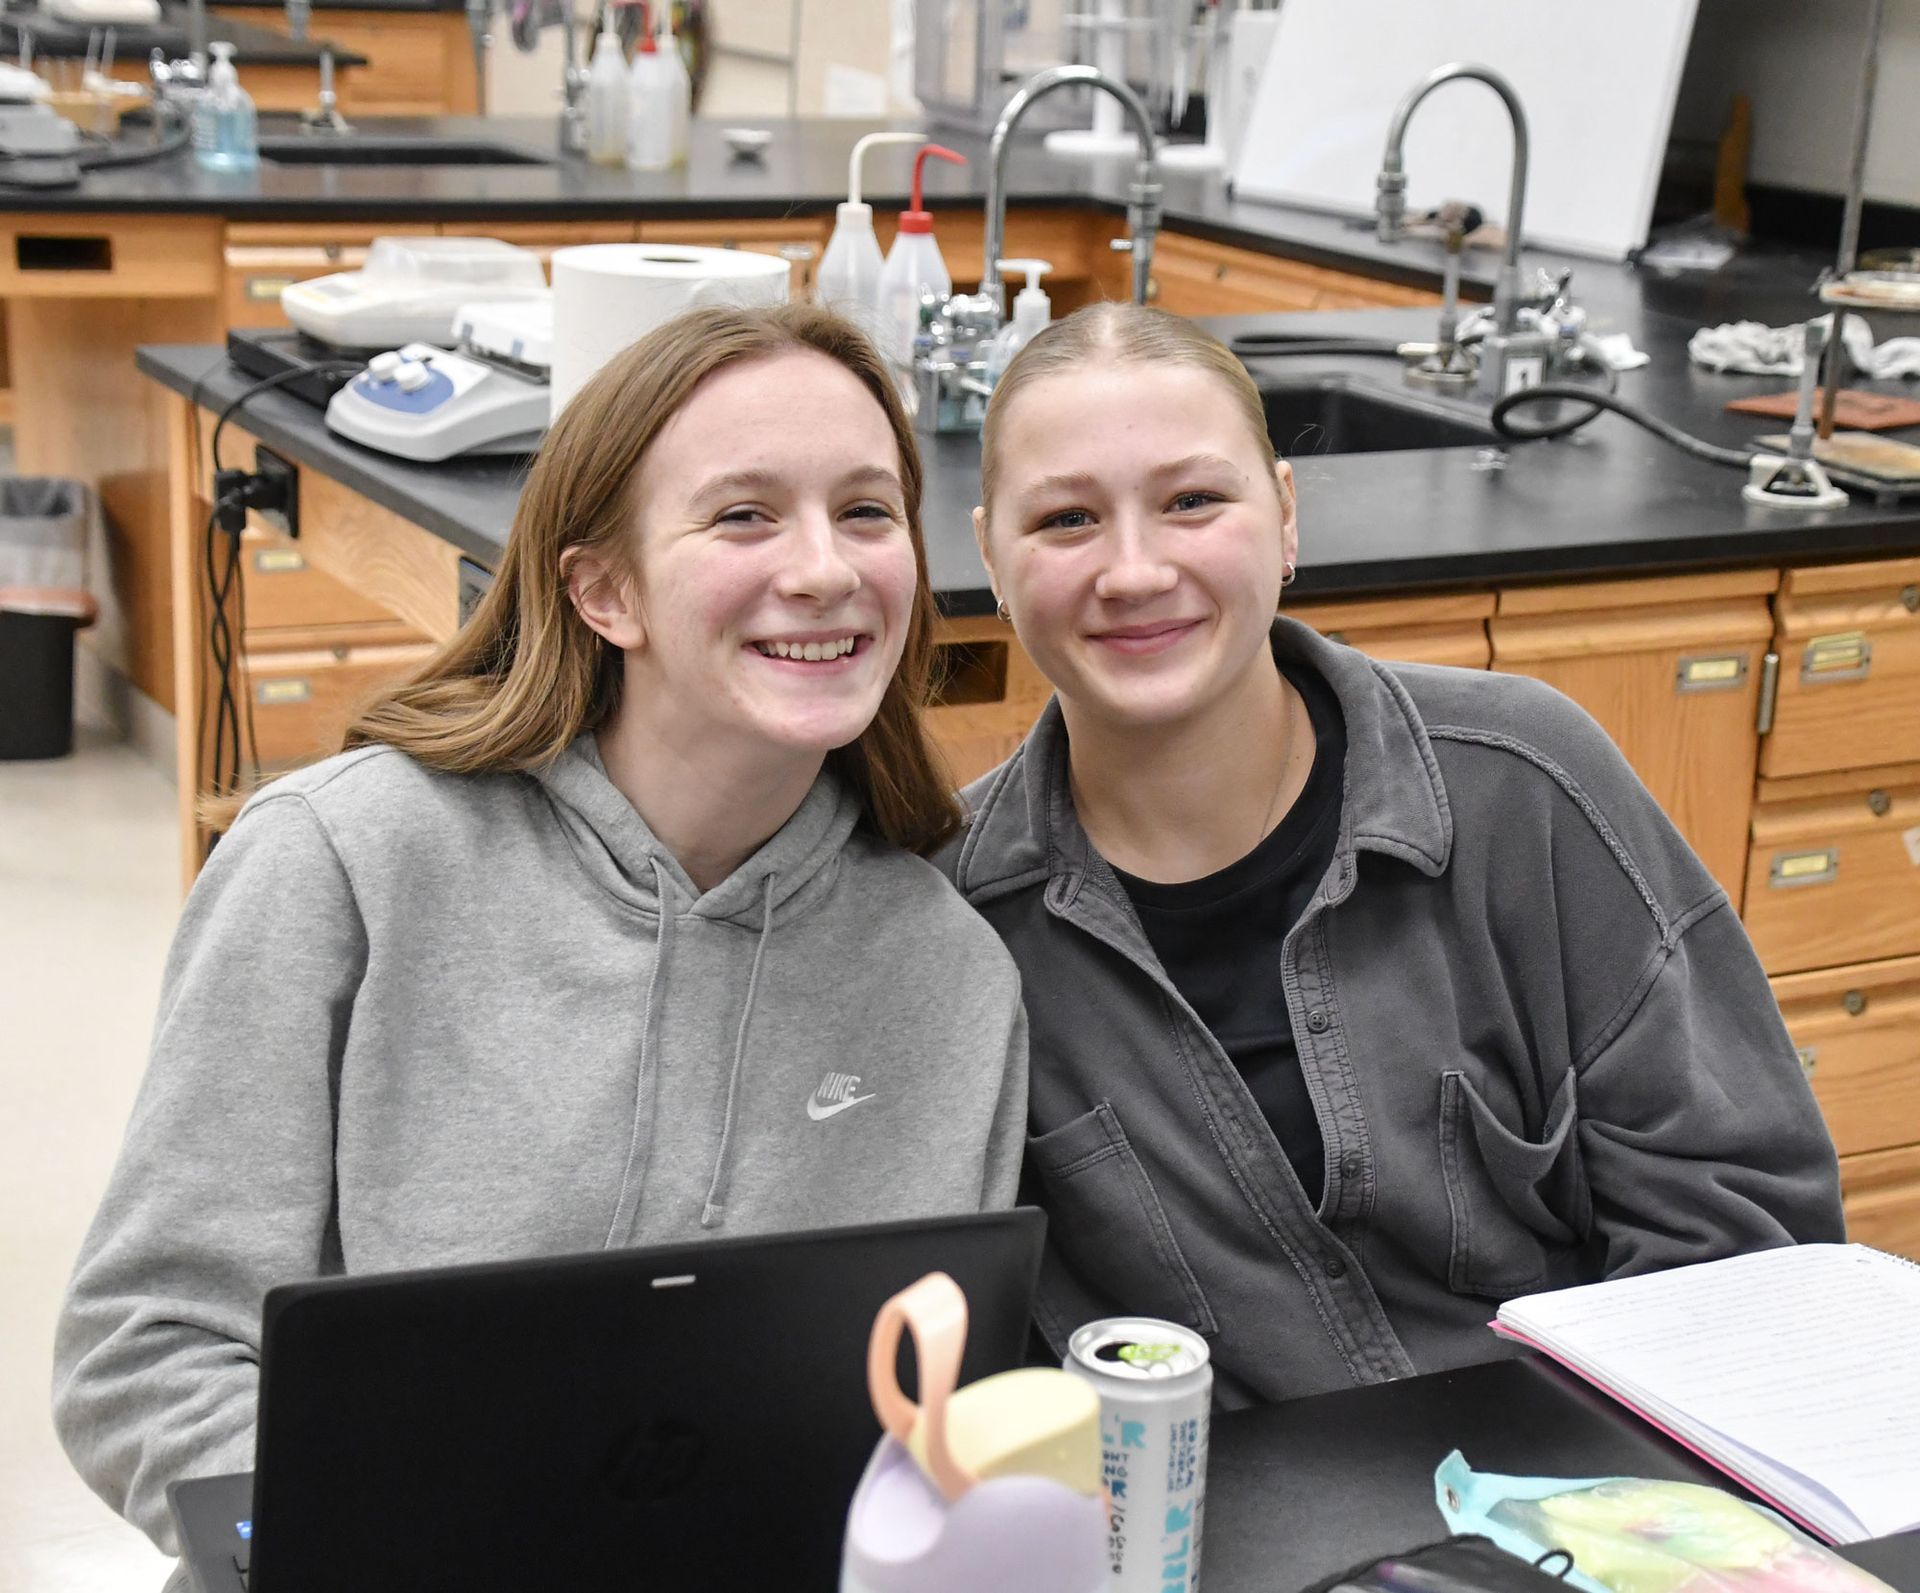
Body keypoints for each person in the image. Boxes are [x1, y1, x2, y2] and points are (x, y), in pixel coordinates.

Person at [55, 303, 1027, 1554]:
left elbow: (934, 1429)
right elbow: (145, 1351)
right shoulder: (342, 865)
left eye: (865, 511)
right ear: (604, 589)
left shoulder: (948, 974)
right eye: (743, 514)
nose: (826, 570)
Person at [940, 302, 1842, 1404]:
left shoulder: (1525, 784)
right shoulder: (958, 924)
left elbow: (1742, 1223)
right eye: (1068, 520)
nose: (1133, 570)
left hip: (1587, 1506)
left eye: (1193, 501)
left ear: (1283, 517)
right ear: (991, 554)